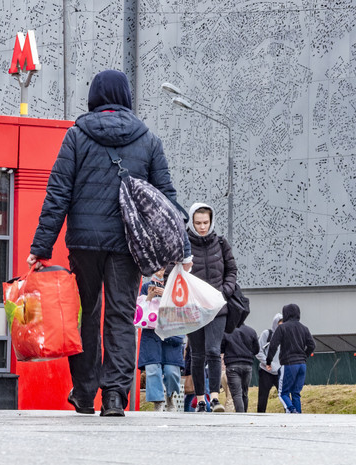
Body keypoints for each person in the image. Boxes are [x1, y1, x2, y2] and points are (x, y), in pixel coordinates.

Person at [27, 69, 191, 417]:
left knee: (85, 315)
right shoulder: (147, 139)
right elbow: (167, 202)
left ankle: (85, 394)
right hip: (128, 245)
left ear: (94, 97)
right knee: (119, 315)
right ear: (126, 96)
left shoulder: (76, 136)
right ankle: (115, 395)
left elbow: (58, 193)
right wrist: (184, 251)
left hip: (84, 242)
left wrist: (41, 247)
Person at [186, 202, 237, 413]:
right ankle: (200, 399)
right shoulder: (184, 244)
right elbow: (173, 272)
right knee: (197, 354)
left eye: (205, 222)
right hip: (193, 307)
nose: (202, 227)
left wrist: (224, 292)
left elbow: (232, 270)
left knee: (214, 351)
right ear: (191, 222)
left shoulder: (221, 243)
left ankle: (215, 398)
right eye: (198, 223)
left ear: (211, 220)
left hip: (217, 307)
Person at [136, 268, 184, 412]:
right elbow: (139, 310)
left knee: (171, 370)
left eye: (163, 268)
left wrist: (167, 295)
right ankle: (158, 401)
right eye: (157, 268)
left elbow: (183, 307)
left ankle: (170, 397)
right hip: (151, 333)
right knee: (152, 369)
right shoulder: (146, 286)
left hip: (170, 331)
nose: (160, 271)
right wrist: (149, 296)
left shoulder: (176, 285)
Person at [265, 304, 315, 414]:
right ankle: (298, 415)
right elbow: (312, 345)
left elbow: (273, 345)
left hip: (288, 364)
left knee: (283, 393)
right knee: (296, 393)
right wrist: (304, 356)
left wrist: (268, 361)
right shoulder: (304, 328)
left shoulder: (282, 327)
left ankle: (291, 410)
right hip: (302, 364)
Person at [221, 323, 260, 413]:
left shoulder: (227, 331)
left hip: (232, 365)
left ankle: (241, 416)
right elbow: (256, 350)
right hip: (247, 365)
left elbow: (221, 348)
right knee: (244, 393)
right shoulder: (251, 331)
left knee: (237, 394)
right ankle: (244, 414)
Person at [256, 313, 283, 413]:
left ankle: (289, 413)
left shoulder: (285, 336)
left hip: (280, 371)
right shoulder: (267, 334)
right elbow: (258, 351)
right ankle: (260, 415)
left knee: (284, 395)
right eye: (280, 323)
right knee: (263, 396)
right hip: (265, 370)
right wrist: (267, 363)